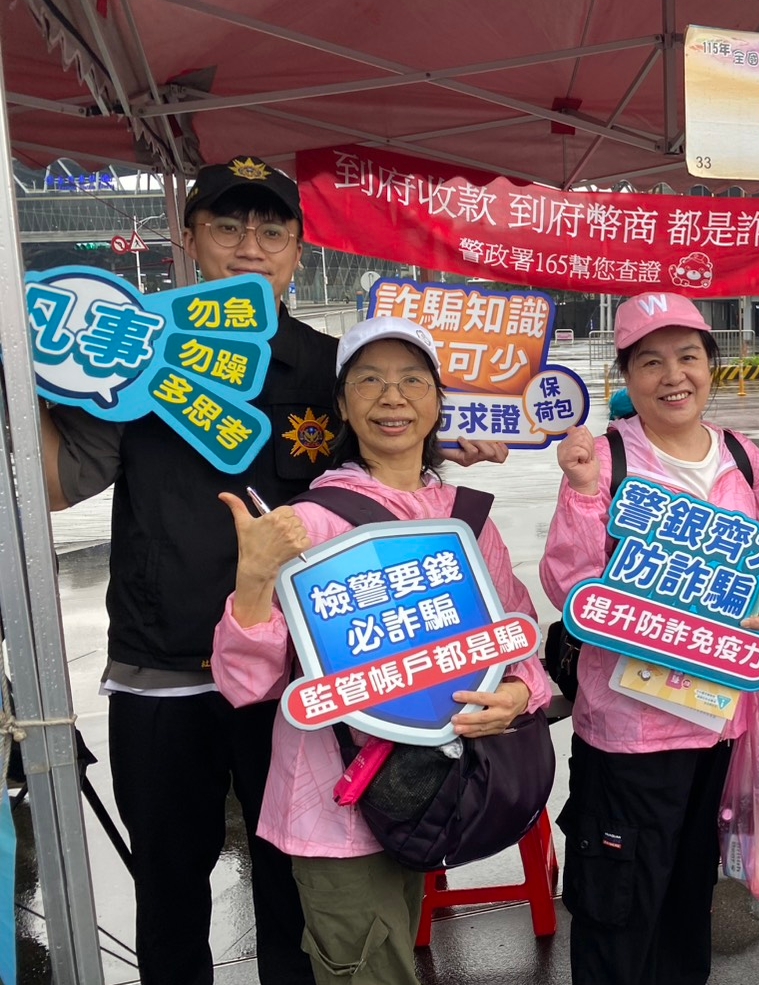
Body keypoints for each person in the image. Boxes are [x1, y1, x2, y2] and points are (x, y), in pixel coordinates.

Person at [38, 156, 507, 984]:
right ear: (188, 240)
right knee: (168, 889)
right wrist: (30, 378)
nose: (249, 246)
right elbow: (54, 483)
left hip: (297, 682)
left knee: (294, 889)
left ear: (296, 251)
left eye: (271, 230)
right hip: (160, 671)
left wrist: (447, 443)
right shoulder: (131, 358)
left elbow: (396, 453)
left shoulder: (331, 371)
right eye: (226, 226)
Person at [209, 316, 550, 984]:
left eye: (411, 380)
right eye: (369, 380)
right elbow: (246, 684)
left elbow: (516, 638)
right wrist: (252, 582)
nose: (392, 397)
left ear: (436, 403)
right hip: (336, 807)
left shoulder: (467, 519)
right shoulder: (305, 524)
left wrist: (517, 694)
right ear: (341, 404)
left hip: (437, 793)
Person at [539, 291, 759, 985]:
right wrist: (582, 491)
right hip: (630, 738)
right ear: (626, 375)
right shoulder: (604, 460)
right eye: (650, 361)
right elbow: (570, 587)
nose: (673, 376)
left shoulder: (743, 459)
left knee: (687, 907)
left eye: (688, 356)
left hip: (716, 728)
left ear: (712, 365)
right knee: (617, 914)